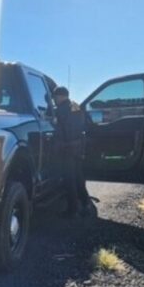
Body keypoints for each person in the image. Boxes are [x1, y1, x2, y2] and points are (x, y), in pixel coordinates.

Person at [53, 86, 92, 218]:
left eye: (55, 97)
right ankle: (86, 203)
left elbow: (58, 130)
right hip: (78, 148)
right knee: (79, 178)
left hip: (67, 148)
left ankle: (73, 210)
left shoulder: (60, 110)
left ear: (61, 96)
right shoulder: (76, 106)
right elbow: (87, 124)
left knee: (69, 180)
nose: (54, 100)